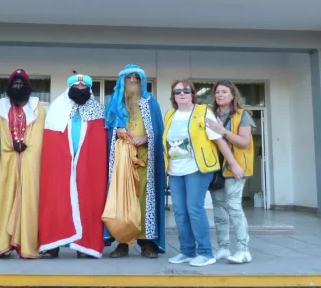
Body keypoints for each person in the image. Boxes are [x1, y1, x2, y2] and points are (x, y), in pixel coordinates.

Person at [163, 79, 238, 267]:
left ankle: (205, 252)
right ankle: (187, 251)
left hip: (198, 168)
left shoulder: (203, 112)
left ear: (192, 94)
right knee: (180, 211)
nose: (182, 93)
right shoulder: (170, 115)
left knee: (194, 209)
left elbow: (219, 140)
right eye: (177, 91)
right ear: (173, 96)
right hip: (175, 170)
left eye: (186, 91)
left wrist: (233, 164)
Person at [39, 74, 108, 259]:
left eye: (83, 86)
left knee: (89, 200)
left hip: (89, 165)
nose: (79, 89)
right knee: (55, 200)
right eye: (76, 87)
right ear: (69, 88)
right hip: (60, 163)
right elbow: (50, 140)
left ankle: (85, 246)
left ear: (89, 89)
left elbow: (100, 142)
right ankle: (52, 245)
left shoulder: (98, 111)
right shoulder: (56, 108)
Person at [103, 64, 165, 259]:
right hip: (121, 161)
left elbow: (159, 131)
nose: (132, 80)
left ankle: (147, 242)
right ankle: (123, 243)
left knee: (144, 200)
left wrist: (146, 138)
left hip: (146, 160)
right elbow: (106, 130)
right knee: (123, 200)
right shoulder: (114, 102)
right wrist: (118, 132)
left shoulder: (150, 103)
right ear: (122, 80)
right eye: (128, 77)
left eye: (136, 77)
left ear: (142, 81)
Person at [0, 69, 46, 259]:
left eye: (22, 83)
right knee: (1, 199)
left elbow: (39, 135)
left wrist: (27, 149)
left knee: (29, 201)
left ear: (28, 86)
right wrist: (11, 146)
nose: (18, 86)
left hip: (29, 161)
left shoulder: (38, 108)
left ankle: (26, 245)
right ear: (9, 87)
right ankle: (0, 244)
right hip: (5, 160)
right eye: (15, 83)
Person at [205, 80, 254, 264]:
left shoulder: (242, 115)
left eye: (224, 92)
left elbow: (244, 142)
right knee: (219, 210)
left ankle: (243, 249)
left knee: (234, 208)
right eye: (217, 92)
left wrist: (222, 131)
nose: (220, 95)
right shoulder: (210, 114)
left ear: (233, 95)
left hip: (235, 168)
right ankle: (223, 247)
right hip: (215, 169)